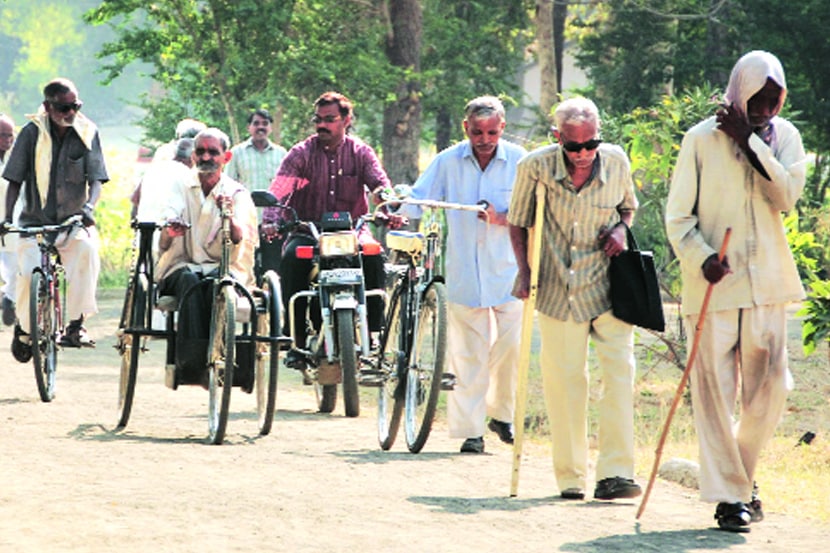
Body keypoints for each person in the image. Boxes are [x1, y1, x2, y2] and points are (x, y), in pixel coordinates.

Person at [665, 50, 807, 532]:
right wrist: (701, 256)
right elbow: (678, 216)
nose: (767, 109)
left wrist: (751, 141)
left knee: (772, 391)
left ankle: (740, 481)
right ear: (738, 93)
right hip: (714, 286)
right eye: (758, 99)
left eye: (774, 99)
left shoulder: (785, 138)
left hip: (768, 283)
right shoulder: (700, 139)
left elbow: (785, 196)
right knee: (713, 394)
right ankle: (730, 499)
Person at [508, 97, 641, 501]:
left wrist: (620, 230)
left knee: (619, 375)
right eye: (573, 146)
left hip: (608, 286)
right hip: (556, 287)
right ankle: (570, 477)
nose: (583, 154)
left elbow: (627, 209)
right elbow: (517, 223)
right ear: (557, 139)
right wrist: (525, 272)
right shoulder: (535, 167)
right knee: (566, 383)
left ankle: (616, 474)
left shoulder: (616, 162)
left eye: (590, 144)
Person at [401, 96, 525, 454]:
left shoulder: (520, 161)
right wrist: (398, 209)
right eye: (476, 132)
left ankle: (502, 414)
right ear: (465, 128)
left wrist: (503, 218)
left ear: (502, 128)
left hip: (511, 272)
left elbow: (536, 211)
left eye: (490, 132)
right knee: (468, 354)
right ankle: (472, 433)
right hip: (464, 274)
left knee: (511, 348)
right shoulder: (448, 160)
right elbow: (419, 198)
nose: (483, 139)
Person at [261, 91, 401, 373]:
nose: (322, 125)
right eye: (318, 120)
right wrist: (271, 220)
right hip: (308, 230)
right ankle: (296, 341)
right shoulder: (300, 154)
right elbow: (279, 191)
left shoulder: (361, 153)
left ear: (347, 120)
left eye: (330, 120)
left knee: (373, 254)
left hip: (352, 230)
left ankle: (373, 335)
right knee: (292, 258)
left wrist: (390, 203)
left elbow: (380, 184)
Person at [2, 78, 108, 359]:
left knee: (86, 251)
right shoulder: (30, 134)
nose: (71, 113)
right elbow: (13, 180)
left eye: (75, 106)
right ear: (48, 107)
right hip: (34, 223)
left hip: (73, 222)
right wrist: (5, 219)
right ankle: (26, 328)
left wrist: (89, 208)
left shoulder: (87, 132)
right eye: (64, 107)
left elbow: (97, 179)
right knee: (27, 275)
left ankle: (76, 324)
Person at [155, 127, 258, 378]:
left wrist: (228, 215)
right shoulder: (179, 186)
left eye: (213, 152)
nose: (206, 158)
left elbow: (239, 239)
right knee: (191, 281)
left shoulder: (236, 194)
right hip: (181, 267)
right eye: (200, 152)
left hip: (224, 270)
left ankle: (221, 354)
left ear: (226, 157)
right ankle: (192, 361)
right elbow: (168, 220)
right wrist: (171, 228)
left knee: (215, 285)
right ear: (193, 156)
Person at [225, 109, 287, 273]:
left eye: (265, 124)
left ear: (271, 128)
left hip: (273, 223)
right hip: (244, 220)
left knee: (273, 268)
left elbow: (287, 189)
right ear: (248, 127)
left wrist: (280, 220)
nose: (261, 127)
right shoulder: (236, 153)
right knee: (245, 266)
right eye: (256, 123)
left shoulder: (281, 154)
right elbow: (227, 185)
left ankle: (272, 296)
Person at [133, 137, 194, 222]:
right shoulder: (188, 175)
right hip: (168, 230)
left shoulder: (154, 168)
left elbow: (135, 198)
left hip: (144, 228)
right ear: (193, 157)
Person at [0, 113, 21, 326]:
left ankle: (9, 299)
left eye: (10, 135)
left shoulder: (15, 161)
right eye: (2, 135)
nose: (7, 140)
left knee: (16, 270)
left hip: (11, 227)